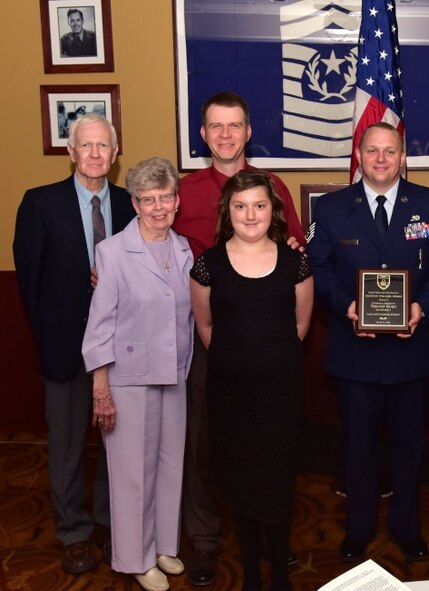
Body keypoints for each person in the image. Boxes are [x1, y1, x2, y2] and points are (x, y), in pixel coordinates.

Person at [306, 122, 429, 563]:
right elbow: (318, 271)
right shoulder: (332, 208)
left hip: (413, 351)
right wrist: (347, 307)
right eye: (372, 150)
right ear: (359, 155)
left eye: (389, 151)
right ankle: (358, 530)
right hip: (355, 353)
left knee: (410, 447)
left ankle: (406, 527)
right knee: (357, 447)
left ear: (402, 157)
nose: (380, 159)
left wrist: (422, 308)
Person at [172, 91, 305, 585]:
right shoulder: (183, 191)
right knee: (208, 444)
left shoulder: (276, 188)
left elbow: (293, 250)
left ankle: (273, 538)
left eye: (235, 126)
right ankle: (206, 542)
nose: (226, 134)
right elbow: (151, 234)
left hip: (269, 342)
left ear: (249, 132)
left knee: (271, 447)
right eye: (215, 126)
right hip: (209, 340)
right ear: (203, 134)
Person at [13, 114, 133, 575]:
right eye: (87, 145)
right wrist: (49, 340)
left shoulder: (129, 204)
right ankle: (73, 532)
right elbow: (31, 283)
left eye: (104, 146)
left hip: (122, 349)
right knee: (65, 447)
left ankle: (107, 520)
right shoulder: (40, 204)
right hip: (64, 348)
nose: (96, 154)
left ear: (116, 153)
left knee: (115, 443)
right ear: (71, 152)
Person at [190, 169, 313, 591]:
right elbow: (206, 328)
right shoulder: (207, 265)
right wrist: (239, 359)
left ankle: (279, 574)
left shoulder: (296, 262)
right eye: (240, 206)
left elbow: (300, 326)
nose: (250, 214)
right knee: (239, 483)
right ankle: (251, 578)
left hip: (281, 395)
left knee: (278, 483)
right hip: (230, 394)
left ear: (272, 210)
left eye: (259, 205)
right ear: (228, 211)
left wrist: (267, 359)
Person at [82, 157, 192, 591]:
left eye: (166, 197)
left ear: (177, 201)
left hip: (175, 373)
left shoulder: (184, 249)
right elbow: (100, 324)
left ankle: (164, 546)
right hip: (127, 378)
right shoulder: (112, 253)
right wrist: (100, 387)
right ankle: (135, 557)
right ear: (135, 203)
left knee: (170, 465)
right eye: (148, 200)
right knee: (132, 473)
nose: (159, 208)